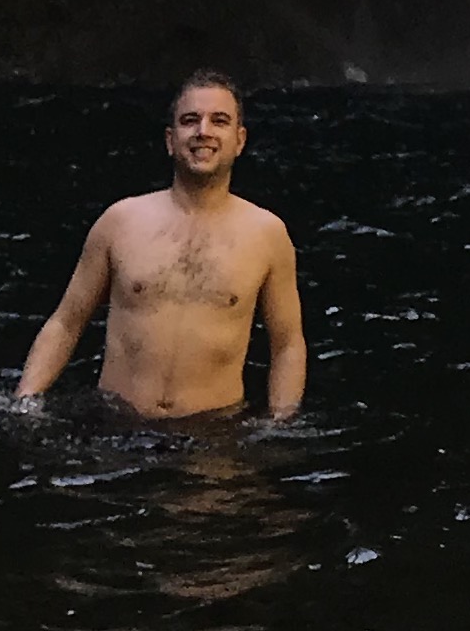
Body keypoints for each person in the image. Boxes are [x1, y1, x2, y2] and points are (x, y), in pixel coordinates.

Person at [16, 70, 306, 420]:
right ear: (170, 140)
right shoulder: (120, 221)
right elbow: (67, 321)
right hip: (117, 429)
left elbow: (287, 343)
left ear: (239, 140)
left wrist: (281, 423)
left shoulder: (267, 234)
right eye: (190, 120)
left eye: (219, 121)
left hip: (214, 434)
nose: (203, 131)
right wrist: (26, 402)